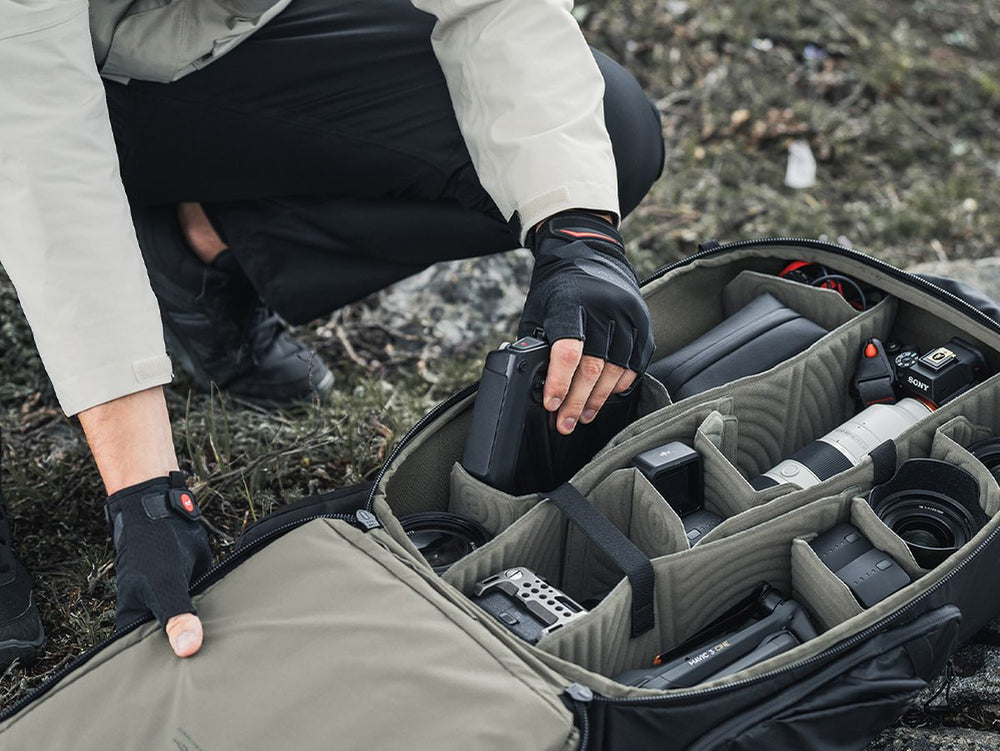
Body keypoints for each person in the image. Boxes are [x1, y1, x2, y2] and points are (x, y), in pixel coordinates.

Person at [0, 0, 663, 668]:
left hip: (183, 49)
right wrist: (145, 494)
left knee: (611, 131)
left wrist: (579, 231)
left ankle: (195, 246)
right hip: (23, 77)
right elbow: (41, 144)